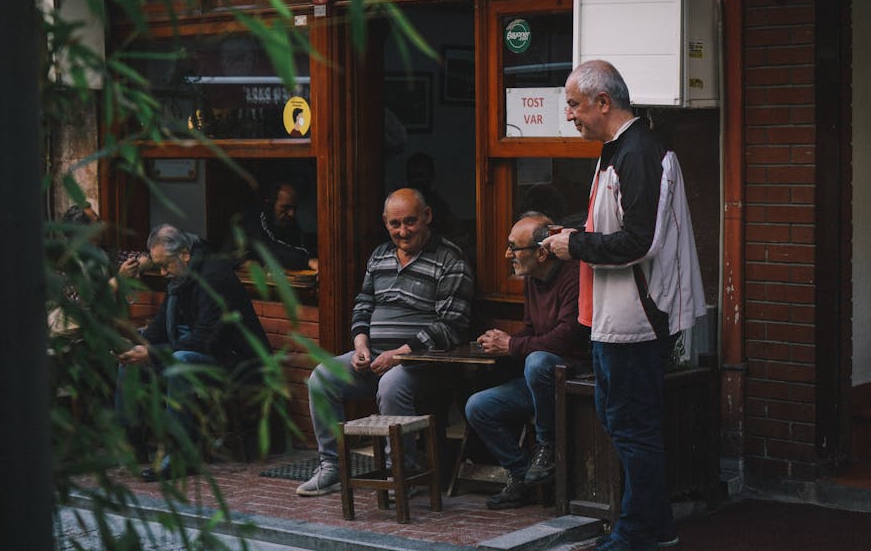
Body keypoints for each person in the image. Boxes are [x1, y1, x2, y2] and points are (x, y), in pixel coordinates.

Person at [541, 60, 706, 551]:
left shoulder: (638, 152)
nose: (569, 115)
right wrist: (574, 235)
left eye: (573, 104)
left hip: (636, 316)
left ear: (603, 102)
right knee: (621, 420)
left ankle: (637, 533)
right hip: (616, 316)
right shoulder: (620, 150)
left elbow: (639, 240)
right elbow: (620, 227)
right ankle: (653, 527)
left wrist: (577, 246)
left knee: (632, 425)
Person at [296, 188, 474, 496]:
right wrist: (361, 343)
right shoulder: (379, 256)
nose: (403, 231)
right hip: (375, 356)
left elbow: (451, 325)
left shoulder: (450, 259)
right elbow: (363, 303)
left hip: (425, 363)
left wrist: (400, 354)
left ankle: (401, 472)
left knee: (391, 384)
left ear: (427, 216)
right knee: (322, 378)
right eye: (395, 224)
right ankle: (332, 468)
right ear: (385, 222)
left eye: (410, 222)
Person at [115, 224, 271, 481]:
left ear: (185, 254)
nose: (163, 273)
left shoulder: (214, 277)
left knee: (180, 362)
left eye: (166, 265)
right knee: (132, 360)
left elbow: (205, 340)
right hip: (201, 352)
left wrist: (153, 354)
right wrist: (139, 347)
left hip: (237, 361)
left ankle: (180, 456)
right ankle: (132, 444)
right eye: (159, 267)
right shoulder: (180, 277)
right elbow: (160, 325)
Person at [465, 212, 588, 509]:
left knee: (537, 362)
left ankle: (547, 448)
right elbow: (532, 331)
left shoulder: (574, 276)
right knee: (478, 407)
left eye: (513, 247)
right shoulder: (532, 280)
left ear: (542, 252)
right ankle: (522, 477)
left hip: (577, 375)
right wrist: (501, 343)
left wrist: (511, 345)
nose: (508, 254)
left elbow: (567, 337)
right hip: (541, 381)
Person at [240, 181, 317, 271]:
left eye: (294, 208)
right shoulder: (255, 217)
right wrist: (308, 261)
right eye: (285, 207)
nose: (292, 214)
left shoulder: (289, 221)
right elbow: (266, 247)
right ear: (270, 204)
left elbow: (301, 246)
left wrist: (313, 260)